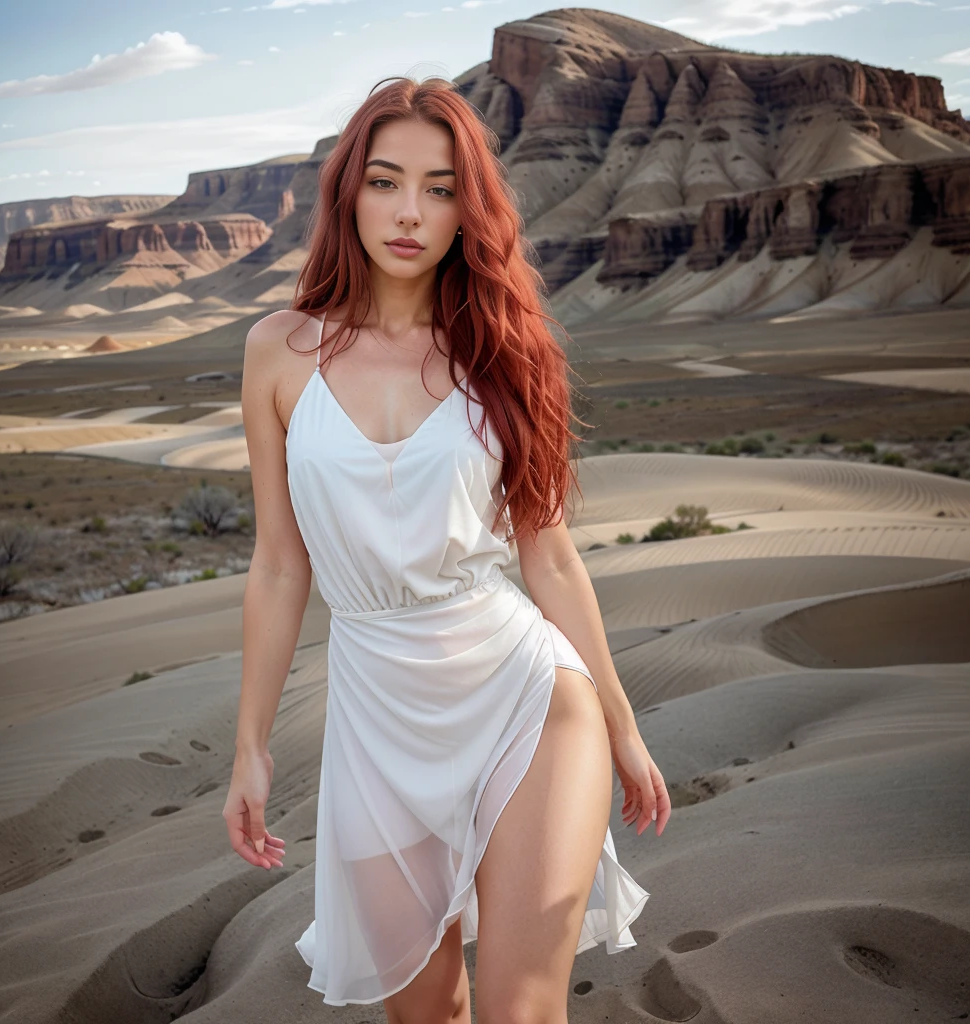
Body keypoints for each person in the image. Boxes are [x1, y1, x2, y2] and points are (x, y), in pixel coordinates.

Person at [224, 75, 671, 1021]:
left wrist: (624, 727)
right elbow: (279, 562)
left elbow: (547, 555)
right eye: (387, 181)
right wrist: (252, 748)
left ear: (469, 211)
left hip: (524, 696)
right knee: (425, 1013)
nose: (410, 213)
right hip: (373, 719)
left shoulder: (508, 351)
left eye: (440, 189)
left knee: (518, 1009)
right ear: (349, 190)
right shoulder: (278, 350)